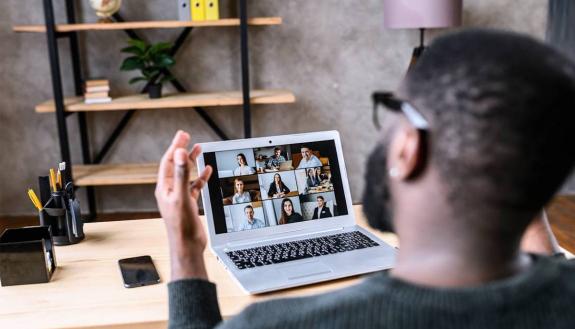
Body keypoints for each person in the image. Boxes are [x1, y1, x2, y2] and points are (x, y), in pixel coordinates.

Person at [156, 29, 575, 329]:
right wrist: (522, 173)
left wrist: (186, 247)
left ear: (409, 149)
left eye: (392, 111)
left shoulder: (277, 323)